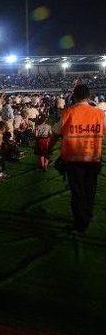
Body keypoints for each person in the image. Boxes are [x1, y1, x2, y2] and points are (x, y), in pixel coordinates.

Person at [50, 84, 105, 234]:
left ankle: (80, 223)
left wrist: (49, 149)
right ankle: (87, 216)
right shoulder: (99, 114)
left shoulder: (68, 112)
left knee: (77, 192)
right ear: (89, 96)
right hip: (93, 158)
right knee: (90, 190)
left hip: (73, 159)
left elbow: (55, 133)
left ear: (74, 95)